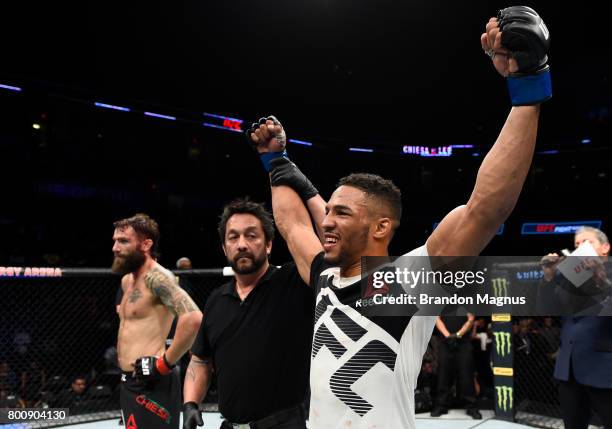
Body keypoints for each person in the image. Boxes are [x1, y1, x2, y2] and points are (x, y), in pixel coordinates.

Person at [247, 7, 551, 428]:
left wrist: (528, 85)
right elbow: (291, 224)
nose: (326, 221)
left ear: (381, 227)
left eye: (341, 212)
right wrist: (275, 160)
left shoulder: (407, 280)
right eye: (328, 209)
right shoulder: (324, 275)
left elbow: (486, 209)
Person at [182, 199, 314, 429]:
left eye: (251, 235)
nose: (242, 244)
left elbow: (323, 248)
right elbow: (200, 360)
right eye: (233, 237)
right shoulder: (216, 300)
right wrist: (190, 404)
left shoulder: (293, 283)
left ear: (269, 245)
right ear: (224, 248)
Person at [113, 213, 203, 429]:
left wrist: (164, 363)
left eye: (123, 241)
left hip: (152, 382)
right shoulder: (128, 281)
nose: (116, 248)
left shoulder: (158, 278)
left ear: (145, 244)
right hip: (129, 382)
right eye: (115, 241)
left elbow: (193, 319)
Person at [538, 226, 612, 429]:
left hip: (605, 367)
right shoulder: (567, 279)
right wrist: (549, 277)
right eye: (576, 245)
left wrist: (601, 281)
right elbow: (546, 310)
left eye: (587, 243)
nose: (580, 248)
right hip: (569, 367)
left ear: (604, 248)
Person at [431, 314, 481, 419]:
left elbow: (471, 319)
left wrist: (458, 335)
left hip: (463, 342)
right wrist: (448, 336)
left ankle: (471, 406)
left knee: (466, 374)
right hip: (445, 341)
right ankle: (441, 405)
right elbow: (436, 318)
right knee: (443, 374)